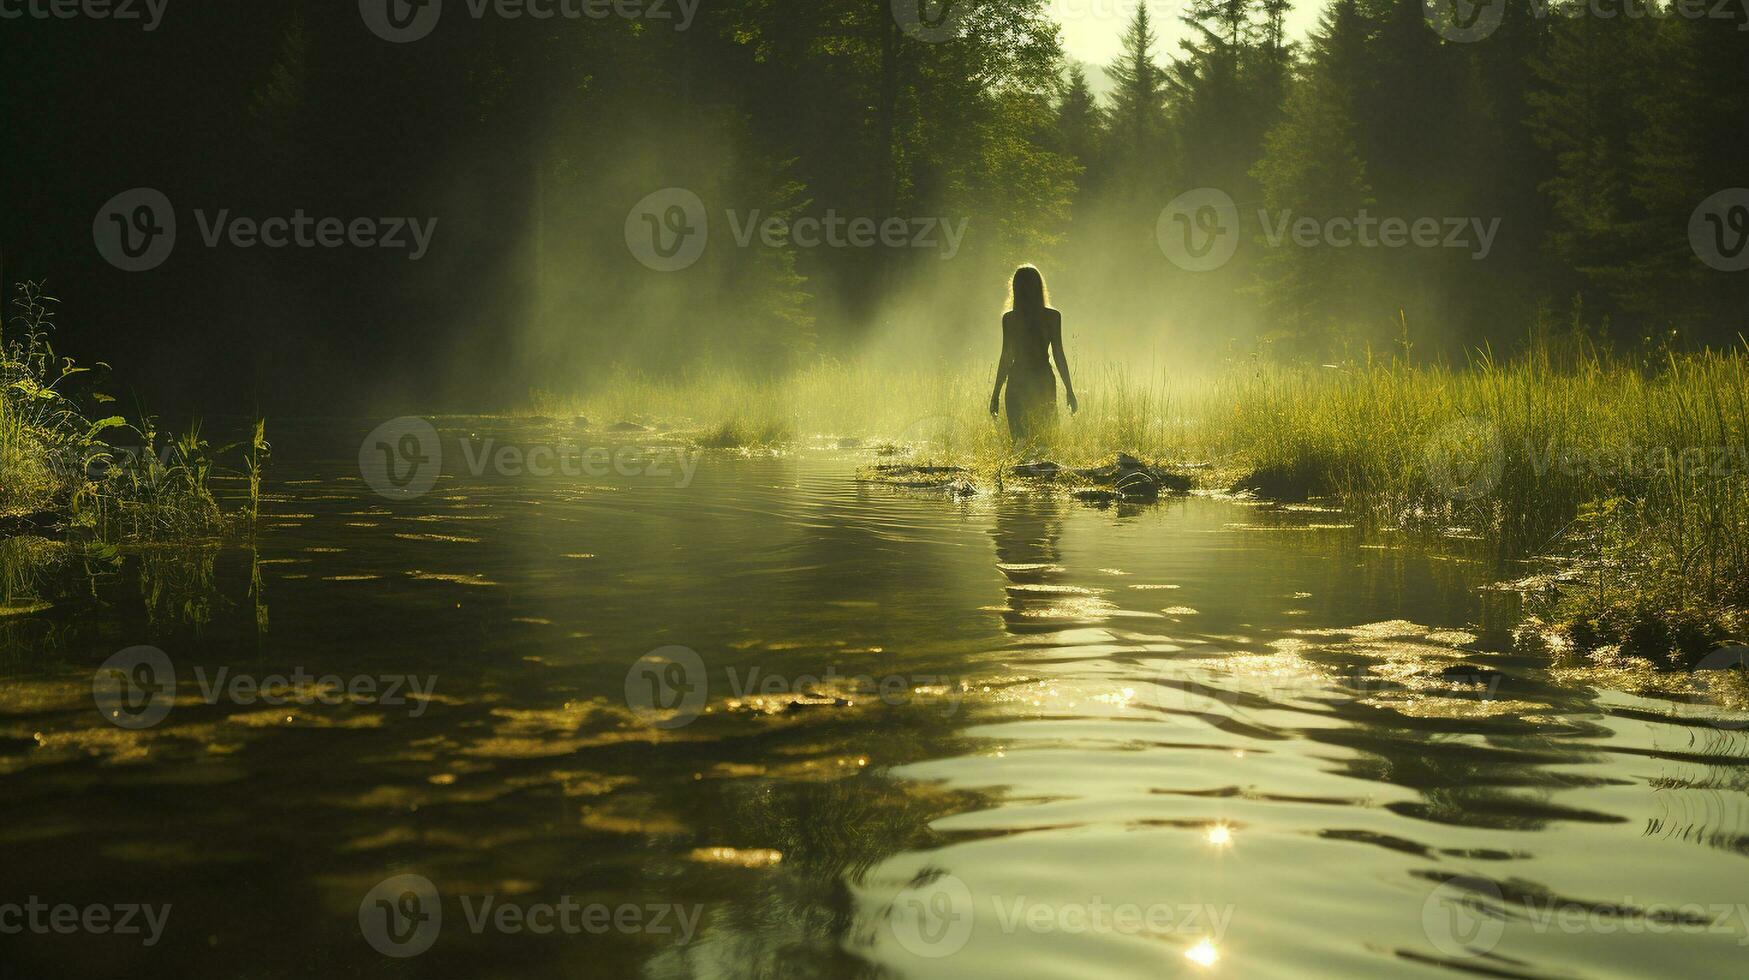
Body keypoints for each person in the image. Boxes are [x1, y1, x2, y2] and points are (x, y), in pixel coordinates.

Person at [988, 265, 1076, 439]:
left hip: (1018, 381)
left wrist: (996, 394)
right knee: (1045, 438)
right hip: (1042, 379)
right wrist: (1069, 390)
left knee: (1020, 441)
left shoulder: (1010, 319)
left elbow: (1006, 357)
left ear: (1015, 289)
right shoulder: (1052, 317)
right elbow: (1058, 355)